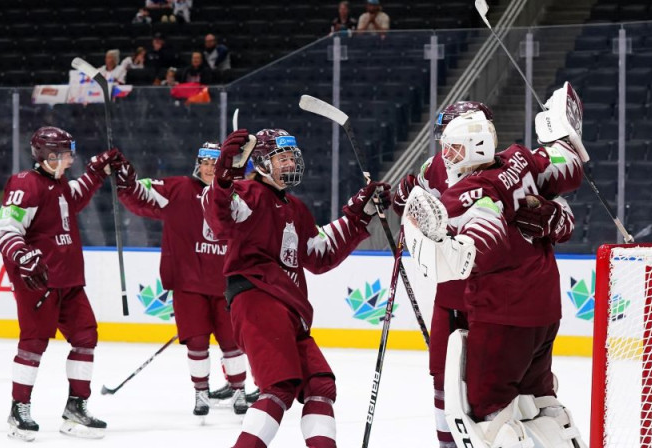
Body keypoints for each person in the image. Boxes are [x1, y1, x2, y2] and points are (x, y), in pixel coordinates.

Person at [402, 86, 589, 447]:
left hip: (497, 308)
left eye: (453, 142)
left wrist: (436, 234)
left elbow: (480, 238)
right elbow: (565, 169)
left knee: (487, 412)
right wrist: (562, 134)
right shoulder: (518, 158)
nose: (446, 151)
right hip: (536, 304)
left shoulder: (473, 189)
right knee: (532, 397)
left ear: (476, 141)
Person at [201, 128, 391, 448]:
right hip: (257, 296)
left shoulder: (295, 207)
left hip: (289, 308)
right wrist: (225, 175)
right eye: (282, 157)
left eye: (292, 156)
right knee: (279, 387)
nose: (290, 163)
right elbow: (217, 215)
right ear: (261, 162)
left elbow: (320, 255)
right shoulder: (246, 193)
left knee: (320, 385)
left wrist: (361, 213)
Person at [0, 126, 124, 441]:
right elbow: (6, 230)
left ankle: (76, 407)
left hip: (69, 281)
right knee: (34, 344)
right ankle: (18, 408)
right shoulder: (26, 185)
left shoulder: (59, 184)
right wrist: (25, 259)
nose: (70, 160)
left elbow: (73, 197)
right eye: (65, 154)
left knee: (85, 336)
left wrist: (98, 170)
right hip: (38, 282)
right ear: (47, 156)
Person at [112, 142, 257, 419]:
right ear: (197, 163)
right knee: (197, 343)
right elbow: (136, 194)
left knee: (232, 343)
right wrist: (124, 176)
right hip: (188, 285)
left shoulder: (236, 195)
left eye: (216, 164)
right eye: (205, 162)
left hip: (227, 285)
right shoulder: (177, 189)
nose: (210, 168)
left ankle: (238, 390)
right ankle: (201, 392)